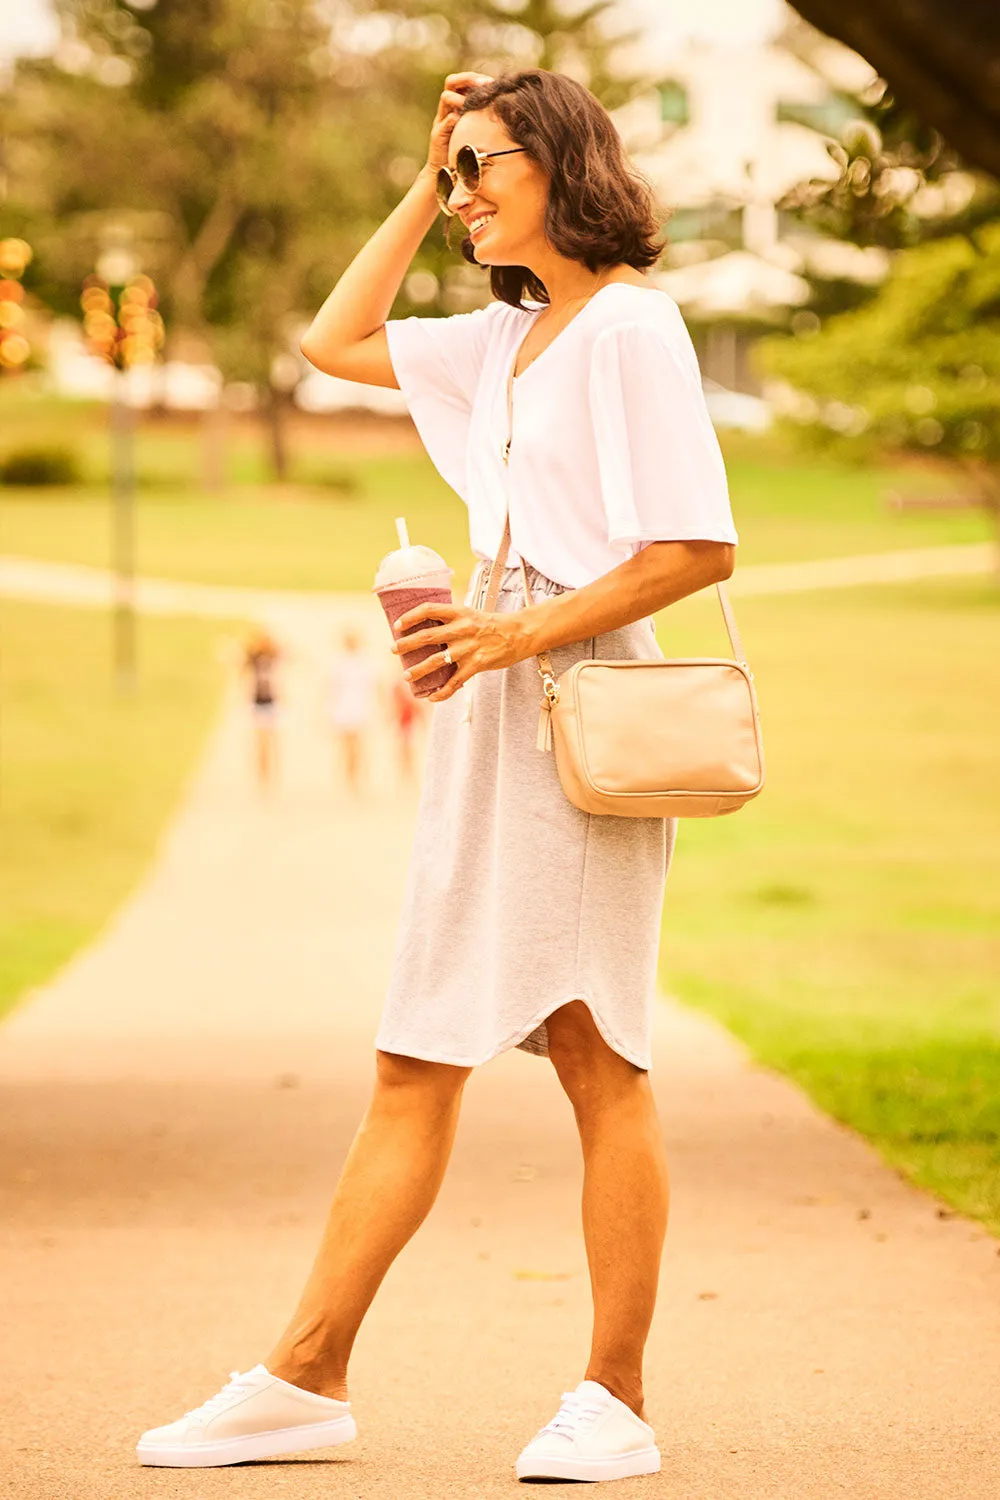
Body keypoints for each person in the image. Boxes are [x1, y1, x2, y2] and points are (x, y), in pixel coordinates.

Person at [137, 69, 737, 1482]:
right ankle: (306, 1374)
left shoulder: (633, 331)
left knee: (599, 1053)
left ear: (565, 165)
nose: (467, 194)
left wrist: (521, 626)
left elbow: (696, 550)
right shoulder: (501, 338)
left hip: (580, 710)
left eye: (485, 169)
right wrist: (421, 177)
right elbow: (329, 336)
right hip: (483, 714)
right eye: (454, 172)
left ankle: (615, 1396)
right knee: (418, 1049)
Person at [326, 627, 377, 797]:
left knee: (359, 746)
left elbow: (373, 686)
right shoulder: (340, 662)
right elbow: (332, 688)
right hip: (344, 708)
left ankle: (357, 778)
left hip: (360, 707)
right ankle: (348, 779)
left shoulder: (364, 661)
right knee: (347, 747)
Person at [243, 628, 281, 791]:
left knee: (272, 742)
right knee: (261, 742)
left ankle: (271, 774)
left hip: (272, 702)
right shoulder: (252, 659)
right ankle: (262, 775)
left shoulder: (275, 658)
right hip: (257, 702)